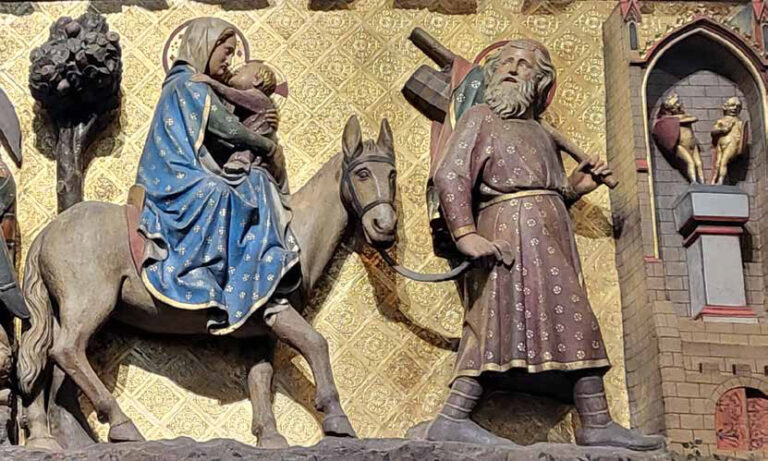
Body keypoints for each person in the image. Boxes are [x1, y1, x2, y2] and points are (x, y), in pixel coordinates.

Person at [428, 39, 665, 451]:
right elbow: (451, 174)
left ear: (539, 82)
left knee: (575, 319)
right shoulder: (481, 118)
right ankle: (452, 418)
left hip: (550, 239)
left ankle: (596, 422)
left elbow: (543, 188)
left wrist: (573, 188)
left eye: (524, 65)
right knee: (493, 324)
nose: (511, 69)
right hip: (508, 236)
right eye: (505, 63)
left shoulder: (540, 131)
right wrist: (466, 234)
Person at [135, 18, 300, 335]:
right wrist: (268, 146)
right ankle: (195, 270)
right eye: (226, 51)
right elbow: (226, 128)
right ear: (206, 45)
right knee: (220, 192)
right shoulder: (190, 83)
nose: (229, 60)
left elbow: (221, 134)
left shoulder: (191, 84)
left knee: (231, 187)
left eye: (234, 54)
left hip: (184, 167)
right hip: (173, 173)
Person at [191, 60, 289, 191]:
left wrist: (212, 82)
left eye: (245, 67)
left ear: (257, 80)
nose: (235, 67)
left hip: (253, 162)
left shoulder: (257, 97)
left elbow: (233, 96)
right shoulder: (236, 105)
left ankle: (239, 165)